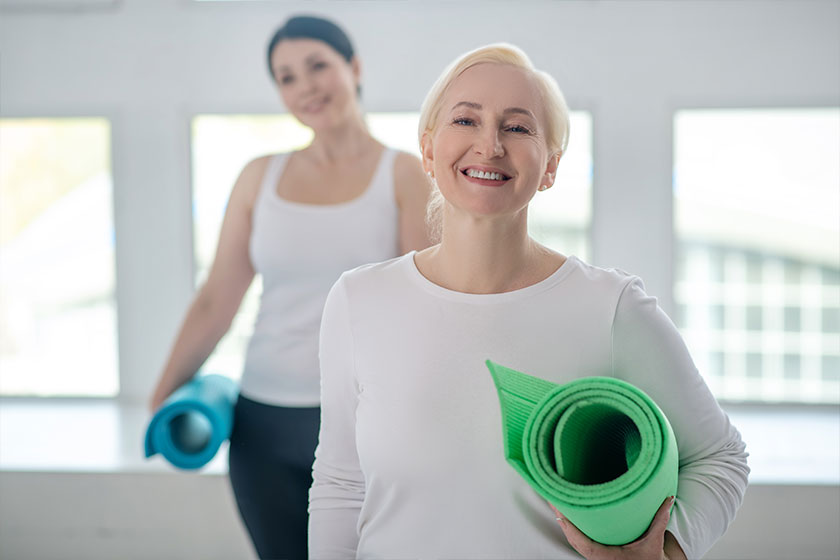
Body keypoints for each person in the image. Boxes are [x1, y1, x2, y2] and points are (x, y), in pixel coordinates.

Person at [309, 43, 749, 559]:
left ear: (550, 167)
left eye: (517, 128)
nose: (490, 145)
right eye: (466, 120)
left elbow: (721, 457)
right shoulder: (359, 301)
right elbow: (341, 483)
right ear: (428, 151)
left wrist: (668, 551)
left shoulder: (611, 308)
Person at [148, 15, 432, 560]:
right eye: (287, 77)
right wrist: (163, 394)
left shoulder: (404, 176)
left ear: (354, 67)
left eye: (317, 66)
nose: (305, 86)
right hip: (262, 422)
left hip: (364, 421)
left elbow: (425, 307)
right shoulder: (260, 176)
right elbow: (216, 299)